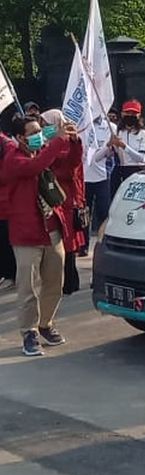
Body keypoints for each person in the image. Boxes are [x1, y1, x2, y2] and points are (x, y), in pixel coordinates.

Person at [2, 115, 77, 356]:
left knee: (55, 282)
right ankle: (29, 332)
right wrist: (56, 142)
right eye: (33, 133)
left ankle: (46, 324)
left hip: (52, 229)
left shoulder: (44, 152)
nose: (39, 136)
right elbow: (34, 167)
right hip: (25, 233)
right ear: (20, 137)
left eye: (40, 131)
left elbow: (70, 165)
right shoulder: (13, 158)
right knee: (28, 288)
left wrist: (74, 142)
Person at [40, 110, 86, 295]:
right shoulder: (46, 144)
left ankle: (69, 283)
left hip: (65, 199)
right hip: (51, 201)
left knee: (68, 244)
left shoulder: (69, 144)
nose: (44, 129)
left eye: (47, 125)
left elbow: (71, 168)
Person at [82, 113, 118, 255]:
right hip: (84, 177)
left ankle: (105, 242)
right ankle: (83, 245)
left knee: (104, 211)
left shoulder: (111, 127)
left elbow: (107, 153)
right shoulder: (82, 127)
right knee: (84, 213)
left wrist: (108, 147)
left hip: (103, 175)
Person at [109, 99, 145, 198]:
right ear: (122, 114)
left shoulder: (144, 134)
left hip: (138, 170)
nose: (130, 115)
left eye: (133, 113)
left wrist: (124, 146)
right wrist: (111, 145)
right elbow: (113, 153)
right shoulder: (118, 132)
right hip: (121, 170)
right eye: (128, 112)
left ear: (138, 115)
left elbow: (141, 158)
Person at [0, 133, 16, 290]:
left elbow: (8, 174)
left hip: (6, 203)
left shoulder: (7, 145)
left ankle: (10, 274)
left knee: (5, 241)